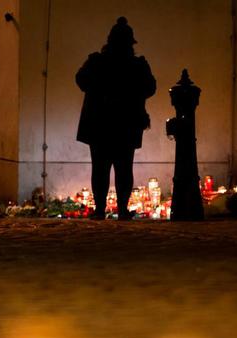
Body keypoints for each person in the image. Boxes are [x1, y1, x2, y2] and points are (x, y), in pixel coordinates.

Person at [76, 17, 156, 220]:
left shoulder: (96, 62)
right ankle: (121, 210)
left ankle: (101, 210)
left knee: (100, 168)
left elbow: (81, 80)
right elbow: (150, 87)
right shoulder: (137, 65)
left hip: (99, 124)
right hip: (126, 124)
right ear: (130, 44)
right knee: (123, 168)